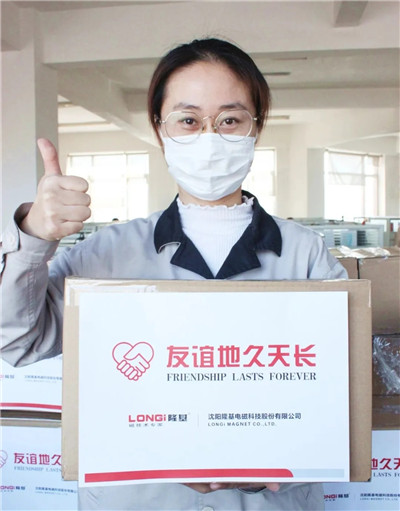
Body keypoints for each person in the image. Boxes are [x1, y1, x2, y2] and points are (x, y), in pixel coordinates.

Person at [1, 38, 346, 510]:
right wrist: (33, 238)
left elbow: (339, 391)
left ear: (256, 128)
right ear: (160, 129)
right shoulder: (105, 254)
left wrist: (271, 463)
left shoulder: (305, 254)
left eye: (229, 120)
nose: (209, 138)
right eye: (188, 120)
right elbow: (18, 342)